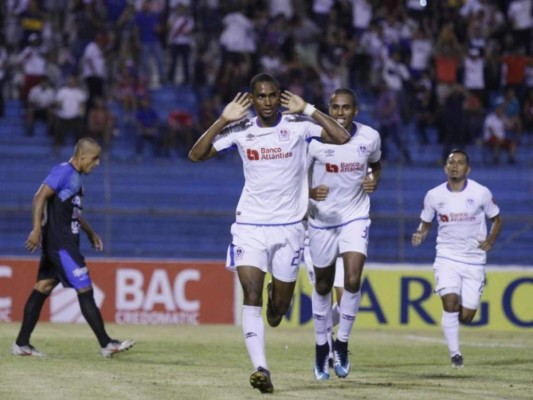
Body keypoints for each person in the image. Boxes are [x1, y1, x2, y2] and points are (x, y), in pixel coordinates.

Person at [188, 73, 350, 394]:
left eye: (272, 96)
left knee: (277, 308)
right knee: (250, 295)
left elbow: (341, 138)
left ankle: (276, 304)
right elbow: (196, 154)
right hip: (249, 226)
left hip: (289, 229)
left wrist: (309, 109)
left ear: (279, 97)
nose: (266, 102)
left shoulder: (298, 126)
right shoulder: (242, 130)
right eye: (260, 97)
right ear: (252, 98)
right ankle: (261, 369)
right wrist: (222, 119)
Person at [12, 137, 135, 358]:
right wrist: (36, 229)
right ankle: (106, 343)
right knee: (85, 289)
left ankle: (22, 344)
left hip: (61, 242)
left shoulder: (75, 179)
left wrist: (89, 232)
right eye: (95, 158)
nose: (97, 163)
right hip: (62, 244)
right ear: (83, 156)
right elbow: (39, 197)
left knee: (43, 287)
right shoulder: (63, 172)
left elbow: (73, 213)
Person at [306, 88, 382, 380]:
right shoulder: (312, 139)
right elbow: (294, 176)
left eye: (346, 107)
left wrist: (374, 180)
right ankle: (321, 345)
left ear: (356, 111)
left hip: (355, 216)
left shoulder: (370, 137)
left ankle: (342, 343)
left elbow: (375, 164)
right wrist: (310, 192)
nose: (340, 112)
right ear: (328, 109)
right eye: (335, 107)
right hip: (321, 220)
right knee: (323, 286)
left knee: (352, 278)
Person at [411, 149, 502, 368]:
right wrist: (420, 233)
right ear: (445, 167)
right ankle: (456, 355)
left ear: (467, 169)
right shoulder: (434, 195)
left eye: (460, 163)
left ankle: (455, 327)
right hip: (447, 257)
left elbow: (497, 219)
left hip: (474, 260)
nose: (455, 166)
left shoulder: (481, 193)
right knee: (450, 303)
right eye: (451, 162)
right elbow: (426, 222)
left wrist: (490, 240)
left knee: (467, 316)